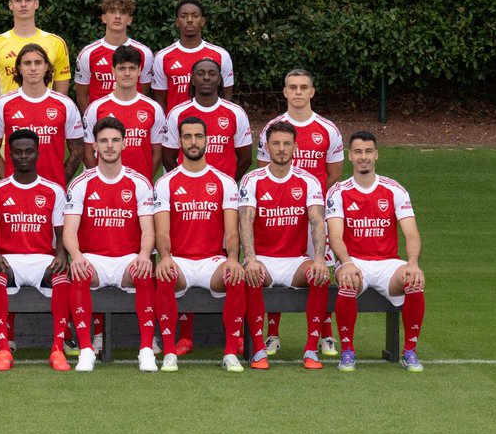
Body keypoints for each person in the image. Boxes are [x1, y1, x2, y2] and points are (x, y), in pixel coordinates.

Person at [256, 68, 344, 356]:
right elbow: (262, 173)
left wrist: (312, 201)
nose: (297, 92)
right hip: (281, 213)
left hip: (314, 215)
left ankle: (325, 335)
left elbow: (333, 175)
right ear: (284, 92)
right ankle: (273, 335)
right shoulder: (271, 127)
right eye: (292, 87)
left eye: (303, 87)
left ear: (312, 92)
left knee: (320, 269)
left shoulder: (328, 129)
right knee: (274, 263)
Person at [325, 131, 427, 373]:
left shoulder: (394, 189)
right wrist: (346, 263)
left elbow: (411, 234)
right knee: (348, 281)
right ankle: (348, 351)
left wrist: (412, 263)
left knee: (414, 280)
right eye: (358, 152)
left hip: (387, 263)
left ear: (376, 154)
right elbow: (336, 237)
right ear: (350, 156)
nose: (363, 157)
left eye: (368, 151)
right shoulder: (338, 191)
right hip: (354, 261)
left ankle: (409, 351)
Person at [62, 118, 158, 372]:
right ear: (94, 146)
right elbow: (69, 230)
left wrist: (145, 254)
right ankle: (85, 351)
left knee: (144, 270)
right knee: (79, 273)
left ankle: (146, 350)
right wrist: (76, 255)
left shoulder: (139, 183)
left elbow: (148, 230)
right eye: (104, 141)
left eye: (115, 140)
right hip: (93, 258)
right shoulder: (81, 183)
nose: (110, 145)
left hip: (127, 259)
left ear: (124, 144)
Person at [152, 117, 247, 373]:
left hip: (212, 262)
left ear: (207, 140)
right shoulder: (166, 183)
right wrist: (166, 257)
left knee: (236, 275)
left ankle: (229, 353)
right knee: (164, 274)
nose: (193, 142)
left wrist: (232, 258)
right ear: (179, 141)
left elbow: (231, 231)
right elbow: (162, 232)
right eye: (187, 137)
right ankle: (170, 352)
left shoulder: (225, 182)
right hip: (180, 260)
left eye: (198, 136)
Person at [238, 121, 329, 370]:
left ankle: (311, 350)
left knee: (319, 274)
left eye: (287, 144)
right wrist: (251, 258)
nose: (281, 149)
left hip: (295, 260)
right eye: (276, 144)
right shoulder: (252, 180)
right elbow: (245, 221)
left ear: (295, 147)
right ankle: (258, 349)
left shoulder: (308, 181)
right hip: (263, 259)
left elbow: (317, 221)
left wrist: (320, 259)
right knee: (251, 274)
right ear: (267, 147)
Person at [0, 129, 69, 371]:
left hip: (43, 258)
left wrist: (62, 253)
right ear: (9, 155)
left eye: (28, 152)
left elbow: (62, 232)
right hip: (9, 259)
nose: (23, 156)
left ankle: (58, 349)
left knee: (63, 278)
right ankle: (3, 349)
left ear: (37, 154)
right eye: (18, 152)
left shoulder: (53, 190)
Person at [0, 43, 83, 187]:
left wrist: (59, 182)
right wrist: (8, 180)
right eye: (27, 63)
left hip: (54, 191)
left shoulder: (65, 104)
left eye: (38, 62)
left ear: (46, 67)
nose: (33, 68)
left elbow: (78, 150)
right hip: (16, 189)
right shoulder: (3, 104)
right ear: (18, 68)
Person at [0, 0, 72, 107]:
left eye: (28, 0)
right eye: (18, 0)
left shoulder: (56, 43)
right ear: (10, 5)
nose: (23, 4)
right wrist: (3, 116)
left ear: (36, 4)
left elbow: (62, 92)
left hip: (46, 117)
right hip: (10, 118)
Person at [82, 45, 165, 182]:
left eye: (132, 68)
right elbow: (88, 153)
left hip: (141, 189)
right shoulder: (96, 108)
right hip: (105, 185)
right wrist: (101, 180)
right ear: (113, 71)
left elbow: (158, 153)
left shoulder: (153, 108)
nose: (127, 73)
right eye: (121, 68)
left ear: (139, 71)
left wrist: (143, 181)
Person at [162, 58, 252, 180]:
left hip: (223, 191)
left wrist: (228, 185)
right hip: (187, 189)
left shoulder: (236, 113)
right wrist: (183, 181)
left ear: (219, 79)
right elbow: (168, 158)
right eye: (200, 73)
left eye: (212, 73)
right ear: (192, 80)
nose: (206, 77)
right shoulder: (177, 113)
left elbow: (245, 159)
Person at [74, 0, 154, 110]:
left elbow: (143, 91)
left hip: (132, 119)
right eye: (112, 12)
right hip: (100, 122)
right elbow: (81, 94)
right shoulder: (87, 54)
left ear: (129, 20)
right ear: (104, 18)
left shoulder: (144, 53)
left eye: (123, 13)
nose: (117, 16)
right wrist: (92, 122)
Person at [151, 0, 233, 111]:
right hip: (177, 124)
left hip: (210, 123)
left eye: (195, 16)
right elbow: (159, 98)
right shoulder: (163, 57)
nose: (189, 20)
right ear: (177, 21)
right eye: (184, 16)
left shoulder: (221, 55)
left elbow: (226, 95)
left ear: (202, 21)